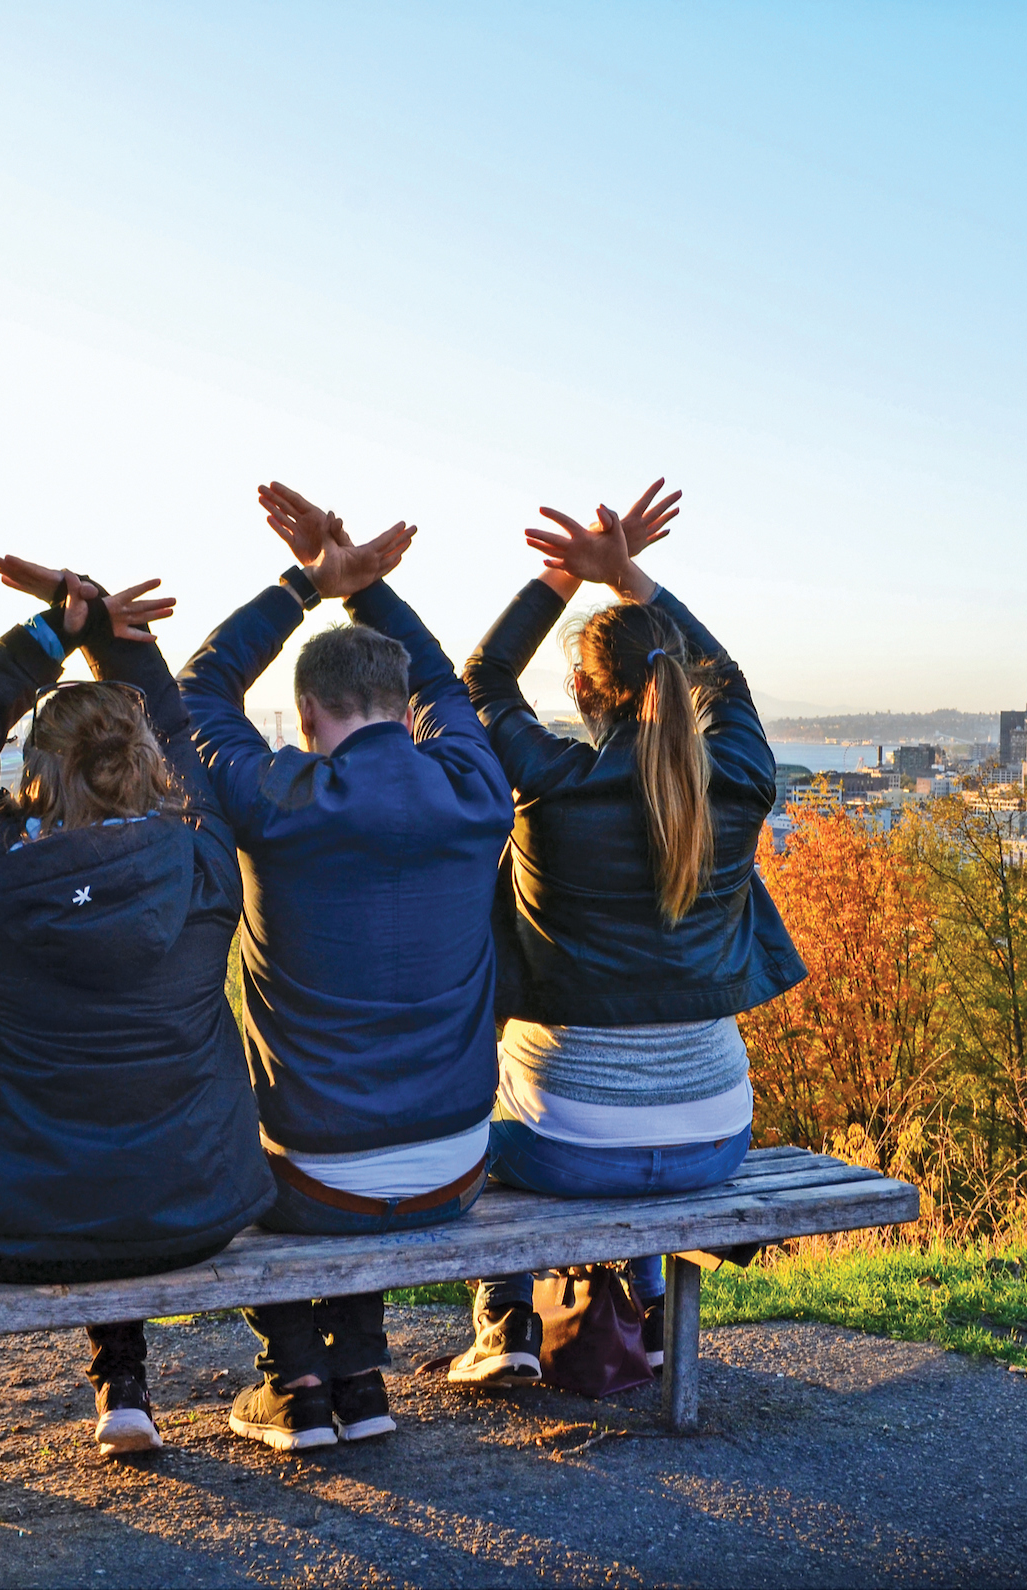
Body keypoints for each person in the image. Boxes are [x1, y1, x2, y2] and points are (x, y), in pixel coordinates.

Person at [0, 555, 277, 1484]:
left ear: (35, 772)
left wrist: (53, 631)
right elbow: (186, 741)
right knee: (122, 1123)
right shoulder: (202, 866)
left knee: (20, 1140)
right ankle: (125, 1391)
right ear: (142, 762)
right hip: (180, 1209)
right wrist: (122, 649)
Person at [178, 484, 513, 1451]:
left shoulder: (278, 797)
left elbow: (199, 691)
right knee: (346, 1129)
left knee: (257, 1146)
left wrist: (306, 585)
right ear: (403, 711)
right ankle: (358, 1374)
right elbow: (448, 683)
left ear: (309, 710)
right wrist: (365, 589)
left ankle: (295, 1378)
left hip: (314, 1181)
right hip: (456, 1162)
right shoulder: (474, 786)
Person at [450, 479, 806, 1385]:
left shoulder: (550, 784)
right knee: (625, 1080)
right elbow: (728, 678)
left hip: (564, 1145)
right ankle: (642, 1304)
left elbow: (481, 682)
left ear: (578, 690)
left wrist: (566, 579)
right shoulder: (737, 780)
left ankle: (506, 1327)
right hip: (715, 1133)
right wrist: (630, 578)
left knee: (483, 1102)